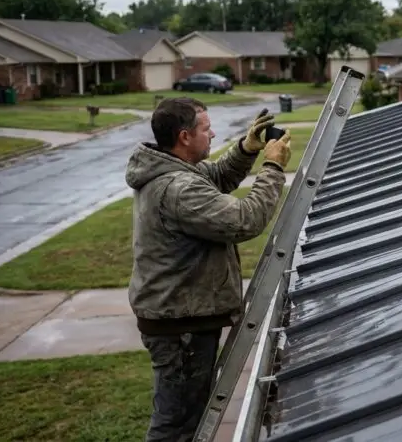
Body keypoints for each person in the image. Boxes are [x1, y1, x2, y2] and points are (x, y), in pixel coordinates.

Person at [125, 97, 292, 441]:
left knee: (184, 417)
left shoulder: (173, 170)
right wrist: (273, 169)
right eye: (206, 128)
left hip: (178, 318)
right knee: (177, 426)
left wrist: (247, 149)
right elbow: (244, 221)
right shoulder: (179, 188)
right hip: (180, 326)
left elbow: (214, 176)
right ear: (185, 136)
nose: (213, 134)